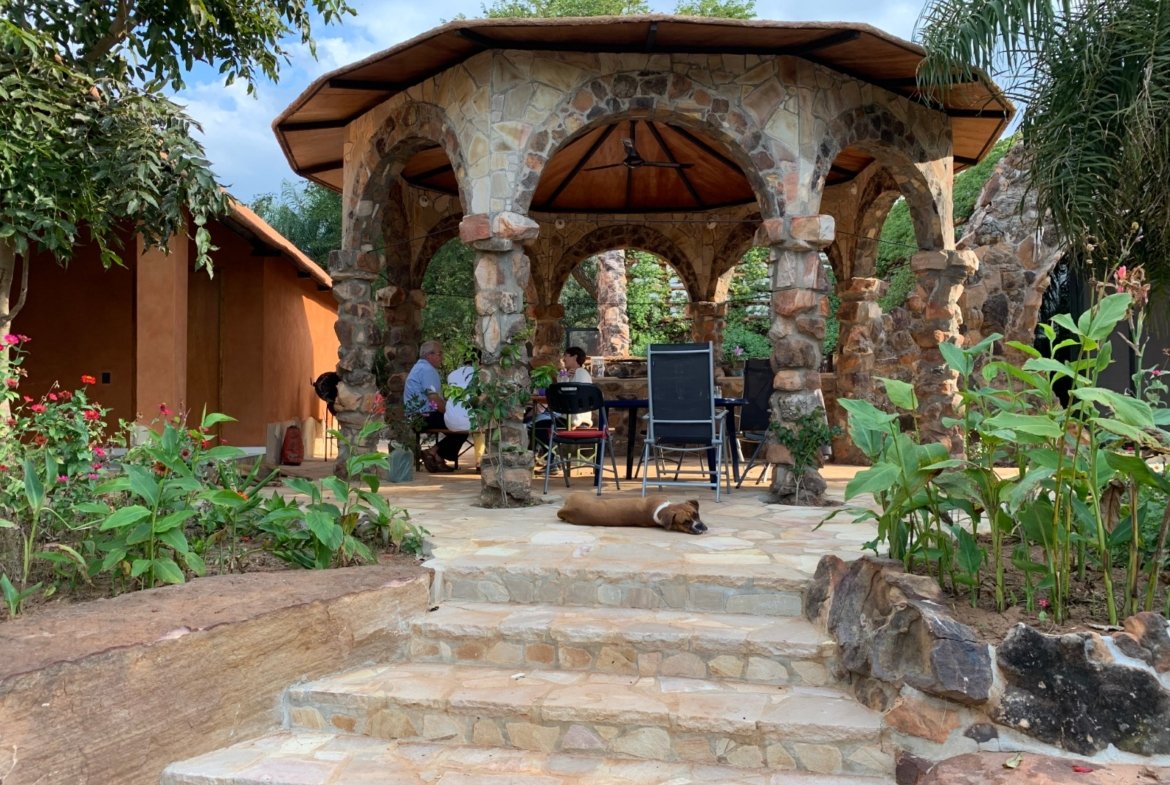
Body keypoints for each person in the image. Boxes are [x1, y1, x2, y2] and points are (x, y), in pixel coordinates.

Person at [404, 340, 466, 473]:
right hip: (424, 416)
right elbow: (434, 399)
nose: (442, 357)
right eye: (440, 354)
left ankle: (437, 457)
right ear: (429, 355)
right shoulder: (427, 370)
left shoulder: (418, 368)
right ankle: (433, 453)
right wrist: (450, 413)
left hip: (415, 416)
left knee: (459, 425)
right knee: (463, 425)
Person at [444, 348, 484, 472]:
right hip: (471, 421)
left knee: (476, 420)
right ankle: (480, 461)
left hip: (450, 421)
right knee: (485, 420)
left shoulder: (451, 375)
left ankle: (480, 460)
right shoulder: (481, 374)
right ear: (479, 360)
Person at [561, 346, 594, 428]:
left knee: (540, 425)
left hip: (574, 420)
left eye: (566, 356)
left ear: (575, 357)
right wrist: (565, 376)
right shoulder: (574, 373)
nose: (563, 359)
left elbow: (568, 395)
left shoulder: (580, 373)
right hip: (574, 419)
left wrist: (565, 377)